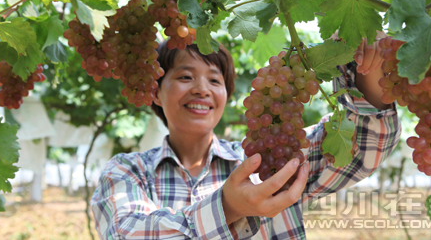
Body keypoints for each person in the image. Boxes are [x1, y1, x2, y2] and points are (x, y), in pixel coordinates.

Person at [91, 33, 401, 239]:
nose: (201, 88)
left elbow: (363, 146)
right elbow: (125, 233)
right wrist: (229, 207)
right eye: (185, 76)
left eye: (215, 80)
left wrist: (365, 71)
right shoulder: (126, 172)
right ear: (155, 93)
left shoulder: (267, 163)